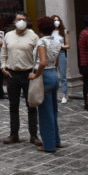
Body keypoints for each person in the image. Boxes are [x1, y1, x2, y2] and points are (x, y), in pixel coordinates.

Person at [1, 11, 41, 145]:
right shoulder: (8, 35)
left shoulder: (33, 36)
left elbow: (39, 56)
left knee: (31, 105)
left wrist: (35, 71)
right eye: (19, 19)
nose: (21, 21)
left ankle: (34, 135)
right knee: (13, 105)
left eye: (23, 19)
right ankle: (14, 134)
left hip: (28, 74)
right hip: (12, 74)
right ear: (14, 22)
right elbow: (3, 52)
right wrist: (3, 67)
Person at [31, 16, 63, 153]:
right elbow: (56, 62)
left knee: (45, 112)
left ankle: (49, 144)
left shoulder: (42, 42)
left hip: (44, 75)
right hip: (54, 74)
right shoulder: (57, 42)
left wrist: (35, 74)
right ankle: (56, 140)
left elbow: (42, 62)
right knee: (53, 111)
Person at [51, 15, 71, 103]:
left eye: (58, 20)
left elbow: (68, 45)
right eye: (54, 20)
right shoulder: (50, 32)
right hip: (51, 54)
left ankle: (64, 95)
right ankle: (53, 94)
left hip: (61, 53)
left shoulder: (64, 31)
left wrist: (61, 46)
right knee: (53, 75)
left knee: (63, 76)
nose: (56, 22)